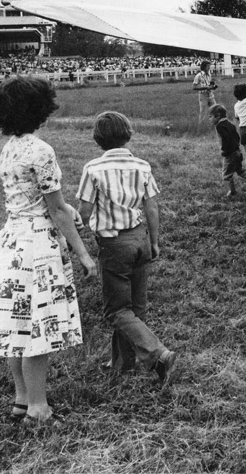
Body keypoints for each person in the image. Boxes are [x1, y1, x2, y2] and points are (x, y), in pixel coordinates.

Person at [0, 76, 96, 423]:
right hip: (37, 245)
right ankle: (38, 408)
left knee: (17, 326)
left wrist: (66, 209)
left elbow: (35, 199)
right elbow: (57, 209)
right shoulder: (41, 150)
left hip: (11, 240)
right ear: (40, 109)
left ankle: (22, 400)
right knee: (38, 327)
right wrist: (84, 254)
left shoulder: (10, 148)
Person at [77, 111, 179, 383]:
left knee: (116, 310)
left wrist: (77, 236)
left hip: (114, 242)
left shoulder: (93, 169)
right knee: (135, 306)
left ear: (98, 139)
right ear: (128, 134)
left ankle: (158, 352)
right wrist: (155, 241)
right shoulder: (142, 166)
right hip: (140, 236)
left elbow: (84, 211)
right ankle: (123, 364)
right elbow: (152, 206)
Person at [209, 104, 246, 197]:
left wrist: (224, 151)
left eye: (210, 117)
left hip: (229, 154)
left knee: (226, 175)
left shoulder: (219, 126)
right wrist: (237, 148)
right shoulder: (231, 124)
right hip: (237, 152)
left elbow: (226, 139)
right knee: (241, 170)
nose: (209, 119)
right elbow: (236, 137)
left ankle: (231, 191)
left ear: (218, 116)